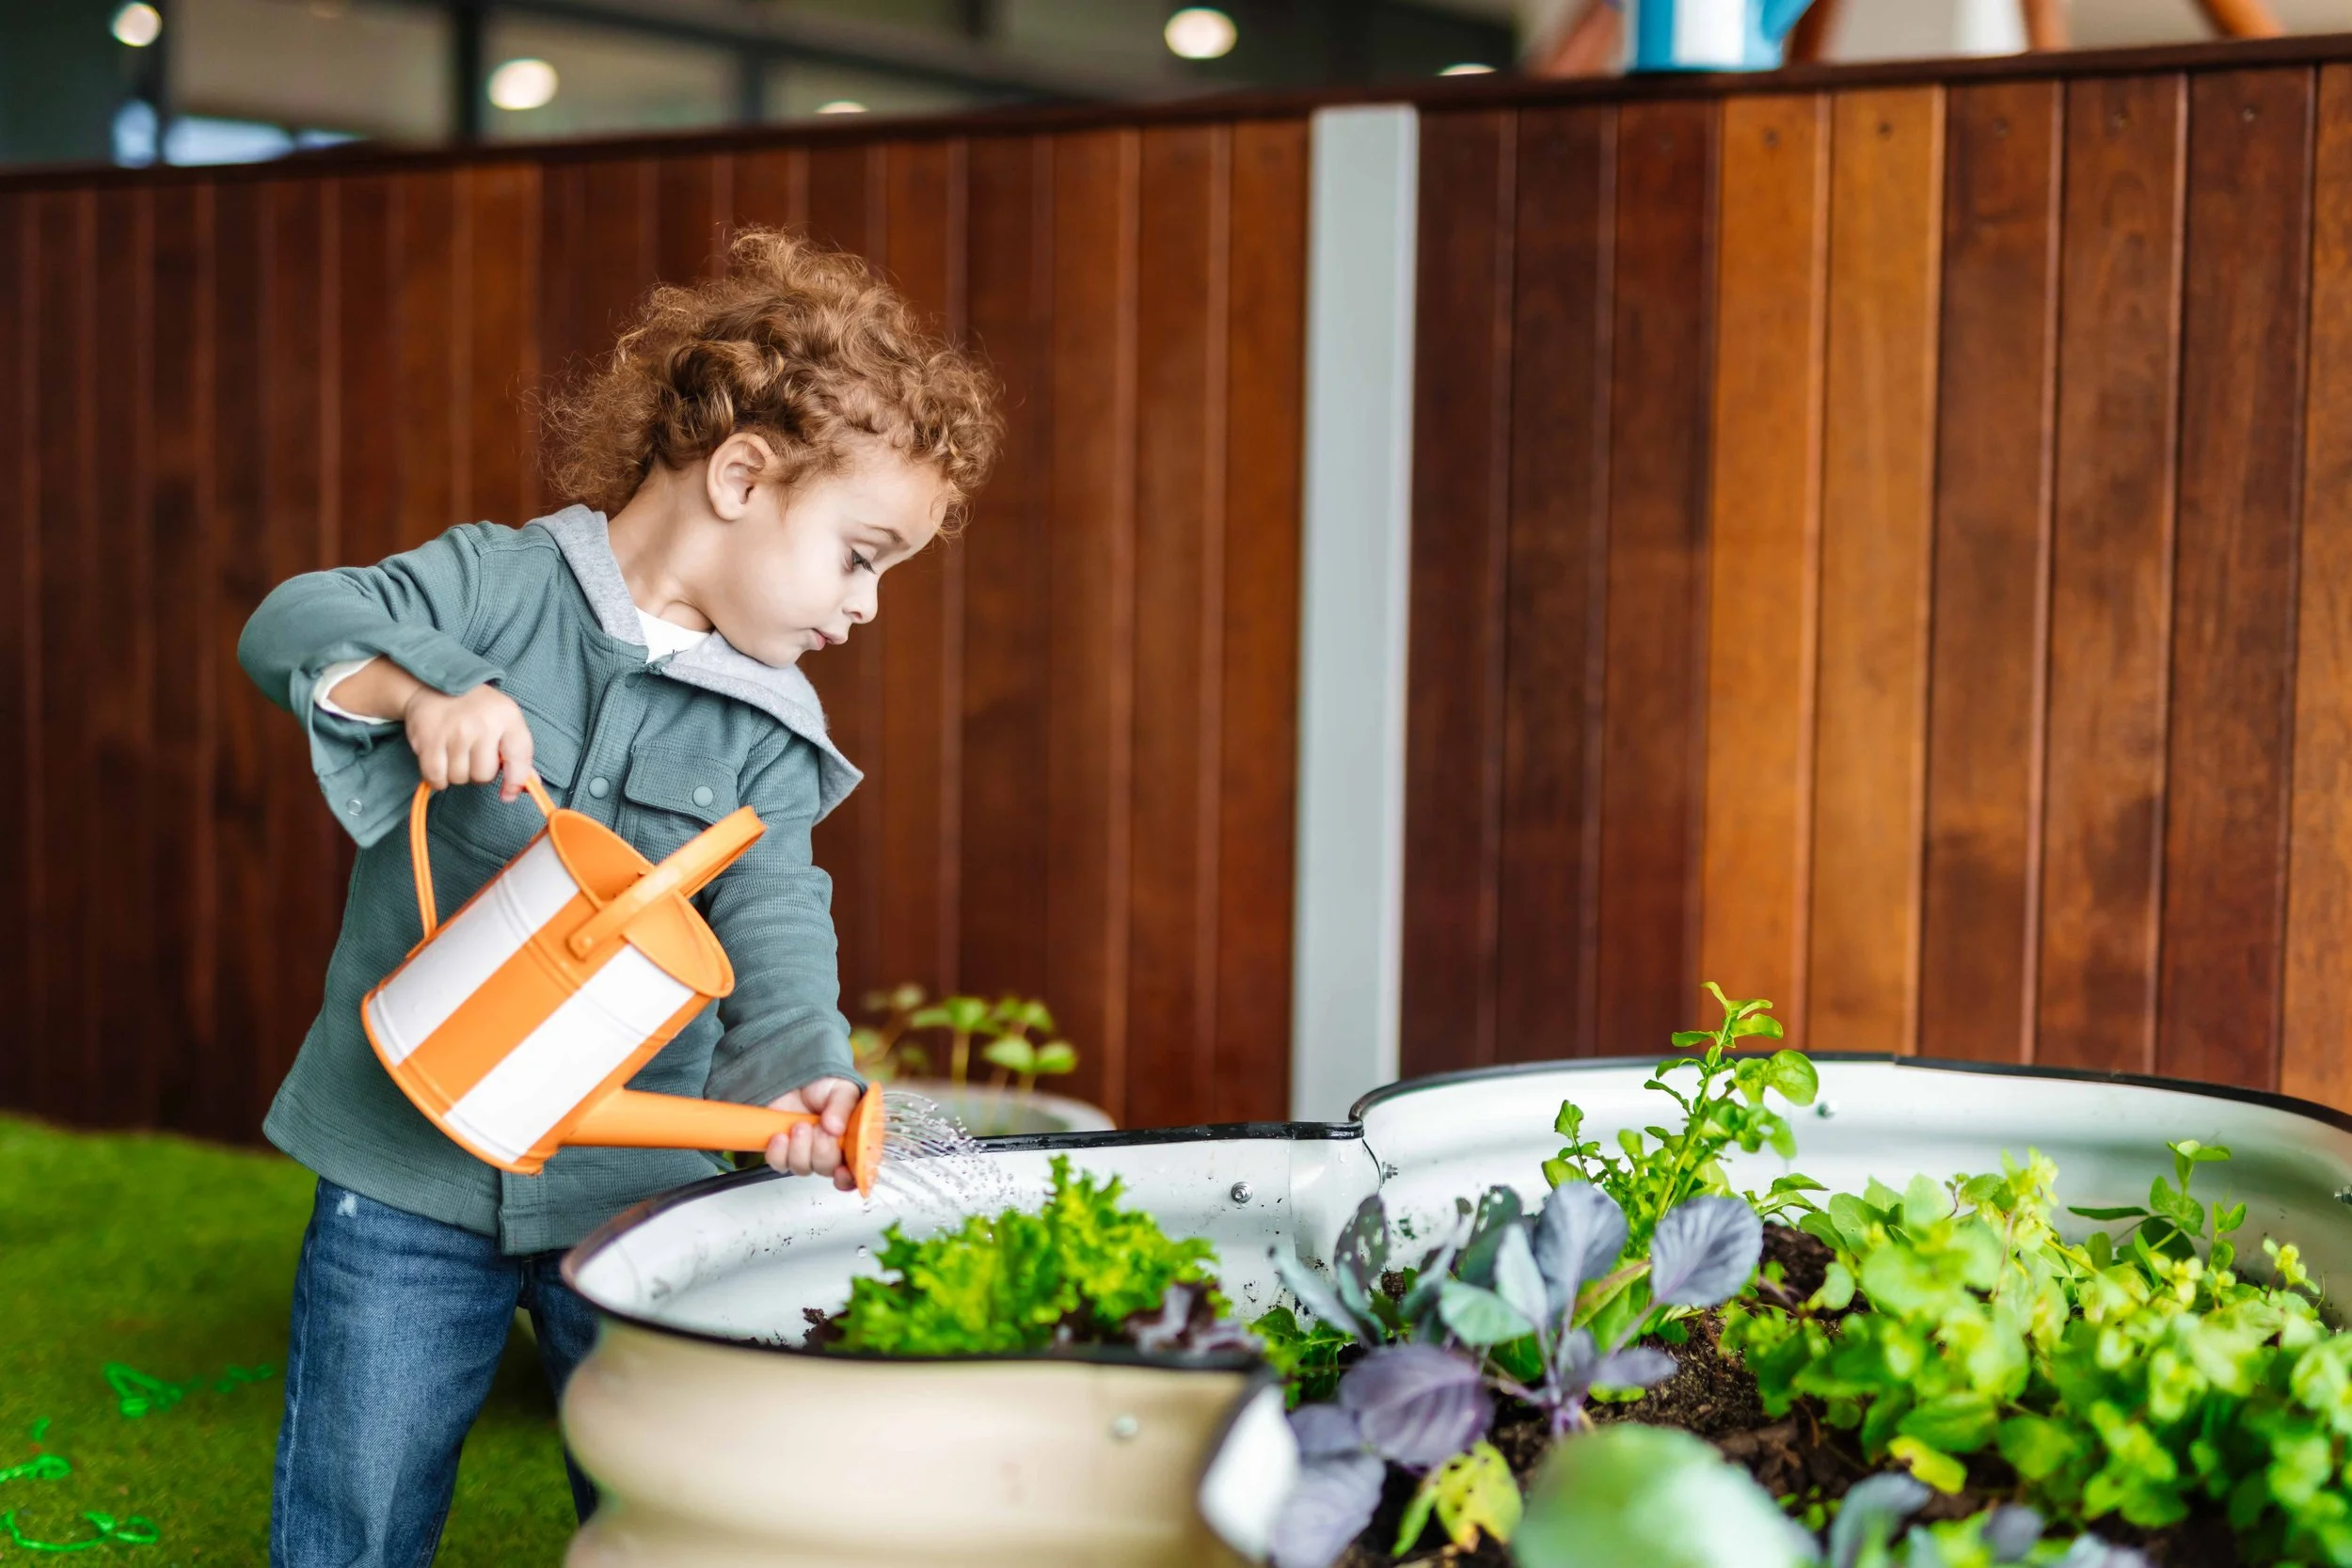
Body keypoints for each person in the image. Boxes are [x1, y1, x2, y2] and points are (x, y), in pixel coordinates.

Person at [236, 228, 998, 1568]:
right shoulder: (495, 584)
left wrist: (803, 1078)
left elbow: (773, 915)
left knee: (670, 1503)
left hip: (634, 1196)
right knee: (356, 1499)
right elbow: (296, 621)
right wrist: (422, 692)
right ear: (745, 474)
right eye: (860, 554)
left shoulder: (773, 724)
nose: (868, 606)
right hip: (402, 1169)